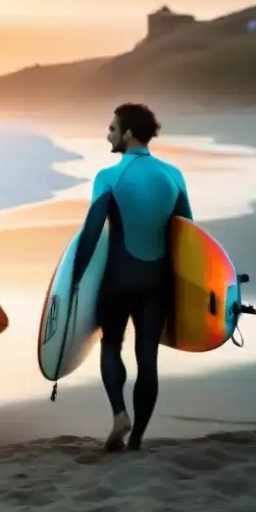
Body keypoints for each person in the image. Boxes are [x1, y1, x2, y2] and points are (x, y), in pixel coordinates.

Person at [70, 103, 193, 452]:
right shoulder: (173, 175)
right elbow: (187, 234)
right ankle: (138, 436)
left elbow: (92, 232)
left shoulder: (108, 177)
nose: (107, 134)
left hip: (119, 280)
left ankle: (119, 414)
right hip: (157, 283)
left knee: (111, 344)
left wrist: (76, 279)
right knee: (147, 357)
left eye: (112, 128)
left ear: (127, 133)